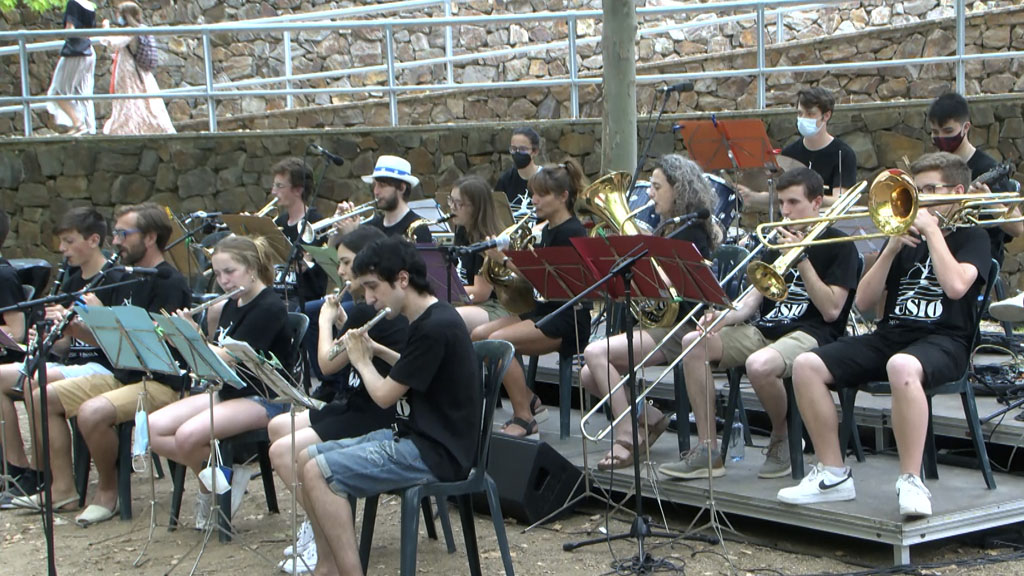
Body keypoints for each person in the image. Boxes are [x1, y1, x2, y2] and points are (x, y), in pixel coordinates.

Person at [778, 153, 990, 518]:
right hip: (892, 334)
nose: (918, 199)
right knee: (807, 364)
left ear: (957, 192)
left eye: (928, 190)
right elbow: (862, 301)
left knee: (902, 366)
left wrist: (933, 232)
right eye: (915, 190)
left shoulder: (974, 237)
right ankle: (832, 474)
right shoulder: (904, 239)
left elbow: (956, 287)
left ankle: (911, 480)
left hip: (946, 339)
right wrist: (890, 250)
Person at [659, 167, 859, 481]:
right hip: (766, 329)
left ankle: (782, 434)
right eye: (782, 203)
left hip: (813, 333)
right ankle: (708, 450)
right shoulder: (775, 242)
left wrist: (802, 257)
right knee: (693, 344)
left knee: (759, 365)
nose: (785, 211)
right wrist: (720, 317)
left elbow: (832, 310)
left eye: (794, 202)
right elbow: (751, 301)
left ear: (818, 202)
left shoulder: (839, 245)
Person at [297, 236, 480, 575]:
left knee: (319, 472)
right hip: (416, 439)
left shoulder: (435, 326)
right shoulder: (427, 318)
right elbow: (413, 370)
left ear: (402, 280)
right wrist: (378, 351)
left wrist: (361, 360)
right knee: (306, 458)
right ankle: (328, 567)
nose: (368, 298)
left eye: (373, 287)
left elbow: (384, 395)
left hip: (437, 452)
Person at [11, 203, 191, 526]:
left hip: (161, 382)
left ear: (149, 238)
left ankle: (108, 491)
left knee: (93, 412)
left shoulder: (169, 282)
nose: (116, 241)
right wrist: (75, 327)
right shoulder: (122, 276)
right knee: (40, 398)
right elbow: (109, 343)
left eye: (124, 234)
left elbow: (159, 345)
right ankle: (62, 487)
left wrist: (103, 318)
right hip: (123, 376)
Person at [267, 226, 407, 573]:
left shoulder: (368, 312)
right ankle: (319, 522)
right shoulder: (362, 311)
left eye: (346, 263)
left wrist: (326, 321)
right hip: (357, 403)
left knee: (282, 451)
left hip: (374, 414)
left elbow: (326, 365)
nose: (341, 272)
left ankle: (324, 531)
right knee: (277, 426)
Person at [580, 155, 720, 470]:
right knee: (589, 375)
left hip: (683, 328)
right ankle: (651, 418)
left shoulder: (692, 232)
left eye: (656, 187)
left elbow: (674, 286)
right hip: (662, 328)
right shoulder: (667, 229)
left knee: (594, 353)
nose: (651, 194)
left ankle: (628, 435)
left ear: (678, 190)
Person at [149, 235, 291, 530]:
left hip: (264, 397)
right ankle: (223, 475)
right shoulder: (231, 303)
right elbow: (211, 364)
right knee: (152, 428)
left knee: (187, 437)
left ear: (251, 268)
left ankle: (214, 487)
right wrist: (182, 335)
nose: (223, 280)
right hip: (230, 390)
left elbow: (226, 358)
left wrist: (190, 335)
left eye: (230, 272)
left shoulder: (269, 306)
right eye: (217, 273)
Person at [0, 207, 120, 507]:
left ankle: (55, 481)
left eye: (68, 241)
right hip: (73, 364)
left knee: (36, 384)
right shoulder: (70, 280)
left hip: (104, 367)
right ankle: (17, 469)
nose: (61, 249)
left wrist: (81, 324)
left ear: (93, 240)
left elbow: (119, 344)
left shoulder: (115, 280)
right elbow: (65, 347)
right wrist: (48, 340)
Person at [473, 160, 592, 438]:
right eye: (533, 193)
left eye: (541, 195)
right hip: (543, 310)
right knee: (479, 335)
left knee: (497, 342)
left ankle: (525, 417)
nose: (533, 200)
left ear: (563, 197)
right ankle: (529, 398)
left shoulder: (572, 232)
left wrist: (503, 260)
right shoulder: (547, 229)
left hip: (567, 318)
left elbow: (549, 281)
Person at [926, 92, 1023, 266]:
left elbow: (1018, 228)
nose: (941, 138)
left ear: (965, 128)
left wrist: (989, 201)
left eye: (948, 131)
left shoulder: (987, 168)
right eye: (935, 132)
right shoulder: (934, 167)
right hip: (937, 247)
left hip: (974, 256)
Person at [739, 87, 857, 210]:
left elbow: (840, 200)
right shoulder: (790, 153)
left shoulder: (842, 154)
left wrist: (807, 193)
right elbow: (780, 197)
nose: (804, 118)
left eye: (810, 114)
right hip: (792, 223)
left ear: (826, 115)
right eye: (800, 113)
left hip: (825, 224)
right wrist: (752, 197)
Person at [97, 2, 175, 135]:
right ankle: (147, 128)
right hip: (140, 71)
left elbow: (112, 43)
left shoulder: (129, 31)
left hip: (129, 71)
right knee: (144, 101)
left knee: (128, 101)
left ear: (125, 15)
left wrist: (105, 29)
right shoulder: (141, 28)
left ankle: (125, 130)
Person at [449, 174, 511, 334]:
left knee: (449, 318)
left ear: (476, 208)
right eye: (451, 201)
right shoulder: (463, 230)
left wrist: (445, 291)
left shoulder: (487, 239)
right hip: (469, 301)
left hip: (494, 306)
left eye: (459, 204)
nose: (452, 208)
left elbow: (480, 293)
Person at [270, 157, 329, 310]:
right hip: (277, 293)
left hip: (302, 298)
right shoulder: (279, 222)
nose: (273, 191)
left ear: (298, 190)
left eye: (279, 186)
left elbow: (312, 267)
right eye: (274, 185)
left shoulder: (316, 223)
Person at [47, 0, 98, 135]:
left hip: (75, 52)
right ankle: (89, 127)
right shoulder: (89, 6)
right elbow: (90, 31)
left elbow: (70, 29)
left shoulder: (73, 4)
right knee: (82, 92)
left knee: (57, 92)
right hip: (89, 50)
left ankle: (78, 123)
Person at [495, 127, 543, 219]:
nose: (517, 153)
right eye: (513, 149)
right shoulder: (505, 180)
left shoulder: (547, 179)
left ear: (535, 151)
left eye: (523, 149)